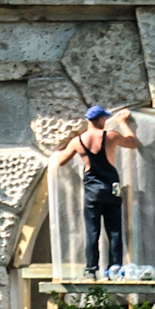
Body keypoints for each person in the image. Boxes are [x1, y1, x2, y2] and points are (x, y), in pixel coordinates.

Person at [52, 105, 139, 279]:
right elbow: (132, 142)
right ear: (100, 120)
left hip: (92, 191)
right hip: (111, 188)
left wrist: (59, 149)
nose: (106, 121)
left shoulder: (78, 141)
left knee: (92, 231)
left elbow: (61, 161)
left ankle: (90, 269)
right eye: (105, 119)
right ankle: (114, 268)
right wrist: (123, 123)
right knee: (114, 230)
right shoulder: (110, 136)